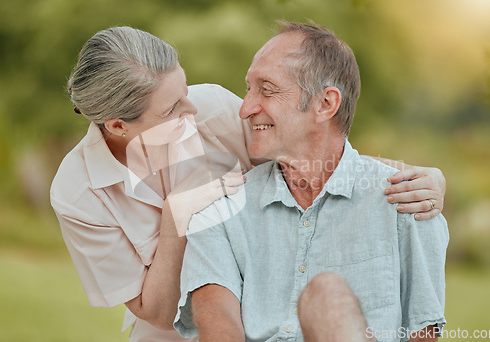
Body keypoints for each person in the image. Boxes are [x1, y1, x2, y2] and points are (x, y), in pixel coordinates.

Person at [50, 26, 446, 342]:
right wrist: (176, 217)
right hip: (167, 331)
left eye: (185, 92)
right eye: (173, 109)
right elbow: (153, 311)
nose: (193, 109)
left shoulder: (212, 111)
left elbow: (309, 146)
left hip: (256, 307)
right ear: (118, 126)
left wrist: (422, 176)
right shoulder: (77, 190)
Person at [174, 22, 448, 342]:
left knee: (326, 297)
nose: (246, 108)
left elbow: (422, 333)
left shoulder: (408, 201)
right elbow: (218, 327)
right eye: (248, 88)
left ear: (325, 105)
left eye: (267, 89)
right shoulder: (219, 210)